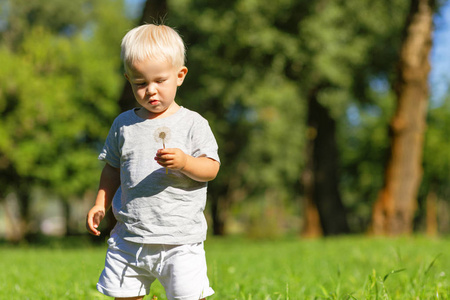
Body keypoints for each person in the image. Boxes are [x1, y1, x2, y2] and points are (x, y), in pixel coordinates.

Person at [86, 24, 220, 300]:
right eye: (140, 83)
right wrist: (100, 203)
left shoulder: (193, 123)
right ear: (128, 79)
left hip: (180, 239)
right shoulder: (123, 125)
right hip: (129, 235)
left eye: (160, 80)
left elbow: (211, 168)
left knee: (188, 296)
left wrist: (185, 163)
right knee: (122, 294)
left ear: (180, 75)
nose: (151, 91)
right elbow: (112, 168)